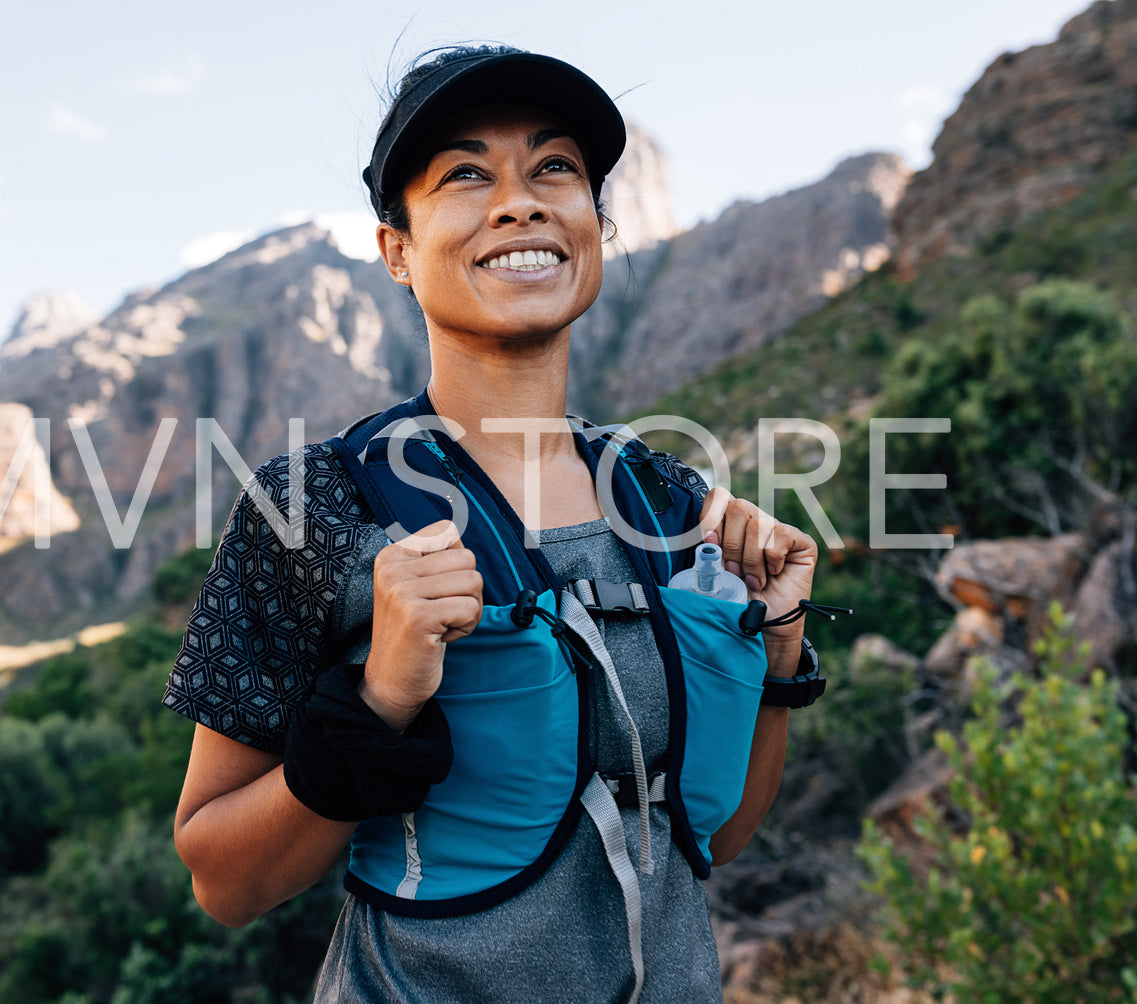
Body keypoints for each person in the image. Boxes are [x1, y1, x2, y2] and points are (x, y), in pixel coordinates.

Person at [163, 44, 820, 1003]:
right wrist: (379, 702)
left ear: (595, 223)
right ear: (396, 250)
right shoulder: (311, 505)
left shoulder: (666, 498)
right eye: (465, 174)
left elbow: (708, 834)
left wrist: (780, 643)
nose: (519, 200)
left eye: (555, 168)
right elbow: (224, 881)